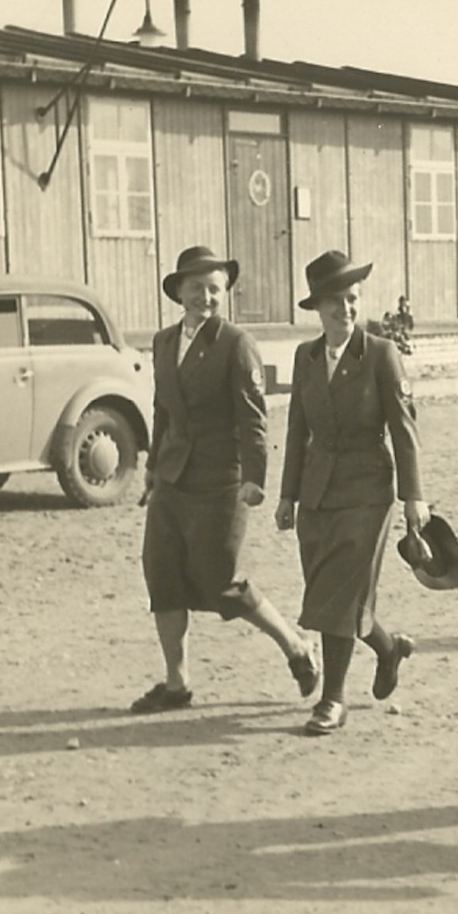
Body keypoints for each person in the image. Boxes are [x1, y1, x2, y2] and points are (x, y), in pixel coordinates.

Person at [133, 246, 317, 714]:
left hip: (221, 483)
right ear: (179, 291)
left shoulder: (236, 344)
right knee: (163, 575)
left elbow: (254, 417)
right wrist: (154, 468)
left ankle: (297, 648)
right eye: (196, 287)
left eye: (215, 288)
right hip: (172, 479)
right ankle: (177, 685)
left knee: (220, 580)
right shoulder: (162, 342)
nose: (206, 296)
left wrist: (255, 477)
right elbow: (161, 411)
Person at [276, 251, 429, 735]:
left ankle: (333, 701)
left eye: (352, 299)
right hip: (317, 492)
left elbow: (404, 431)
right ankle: (389, 648)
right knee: (328, 594)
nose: (345, 309)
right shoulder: (305, 357)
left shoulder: (380, 354)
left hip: (367, 491)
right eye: (335, 301)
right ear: (318, 308)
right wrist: (287, 496)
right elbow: (297, 428)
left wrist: (414, 497)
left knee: (340, 593)